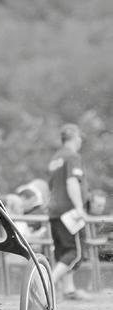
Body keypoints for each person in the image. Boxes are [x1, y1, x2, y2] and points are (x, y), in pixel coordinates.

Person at [48, 123, 91, 300]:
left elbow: (53, 185)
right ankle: (46, 286)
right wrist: (80, 208)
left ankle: (68, 290)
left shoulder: (55, 158)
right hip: (69, 212)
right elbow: (72, 182)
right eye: (80, 137)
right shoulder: (73, 156)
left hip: (54, 212)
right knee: (75, 252)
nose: (81, 141)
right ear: (74, 137)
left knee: (63, 252)